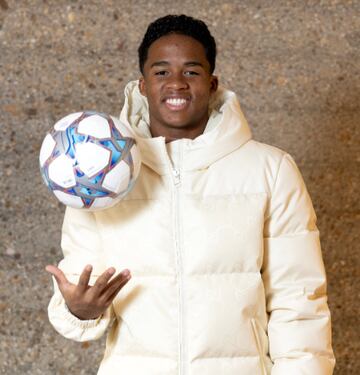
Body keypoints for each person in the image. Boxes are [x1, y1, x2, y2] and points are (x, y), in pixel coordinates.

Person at [46, 14, 336, 374]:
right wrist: (79, 311)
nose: (177, 84)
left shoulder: (270, 170)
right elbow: (76, 294)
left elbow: (300, 301)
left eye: (192, 72)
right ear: (142, 85)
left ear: (212, 83)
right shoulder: (95, 178)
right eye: (162, 72)